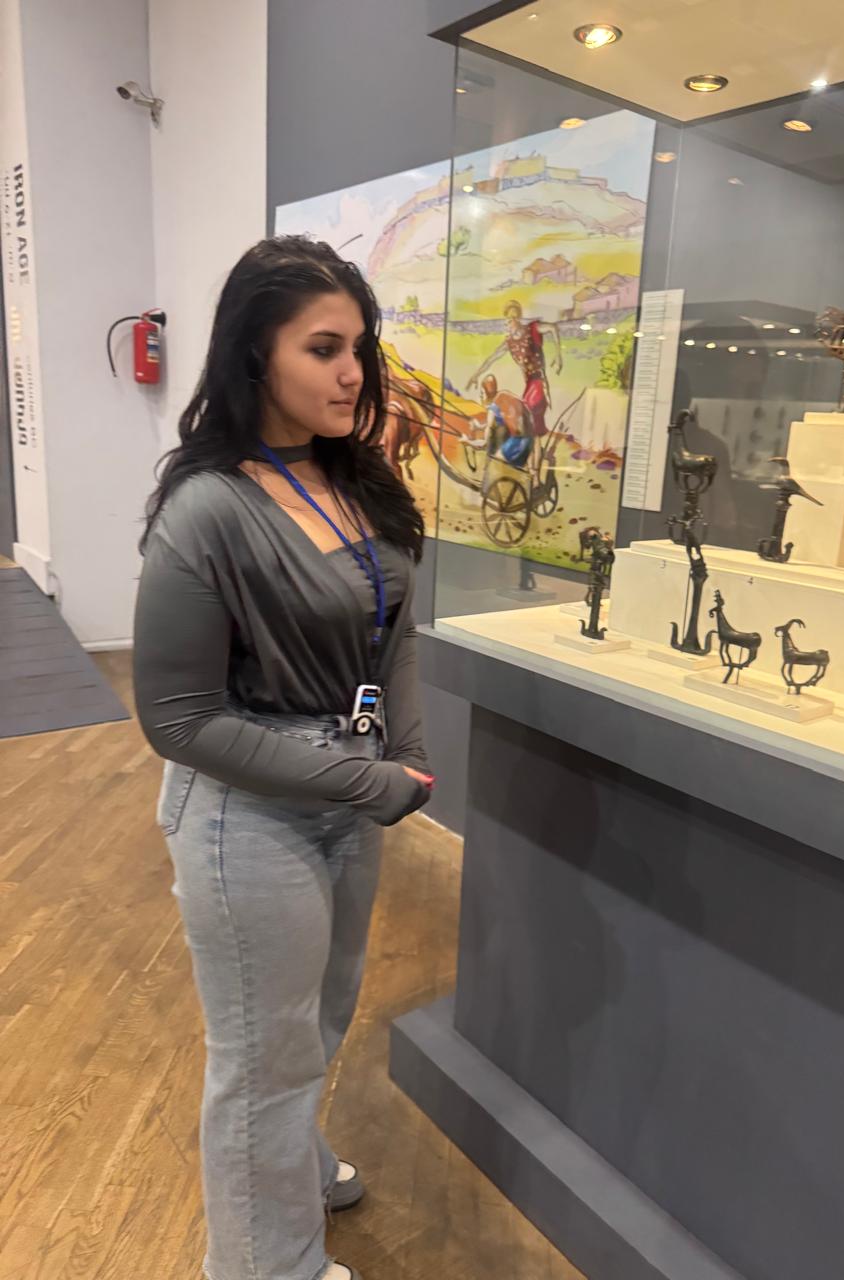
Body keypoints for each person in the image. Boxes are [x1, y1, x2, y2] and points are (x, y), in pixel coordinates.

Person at [133, 236, 435, 1280]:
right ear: (254, 353)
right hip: (246, 812)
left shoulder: (354, 479)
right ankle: (267, 1265)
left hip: (350, 791)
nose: (353, 372)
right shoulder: (206, 509)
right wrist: (370, 776)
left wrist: (407, 748)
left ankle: (291, 1166)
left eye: (360, 347)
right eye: (324, 348)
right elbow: (178, 720)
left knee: (317, 1019)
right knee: (261, 1056)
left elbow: (391, 627)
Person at [466, 300, 562, 471]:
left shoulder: (532, 330)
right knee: (529, 431)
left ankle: (533, 471)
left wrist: (558, 355)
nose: (507, 325)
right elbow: (491, 359)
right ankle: (531, 469)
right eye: (506, 322)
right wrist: (475, 375)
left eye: (509, 321)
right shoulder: (509, 343)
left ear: (516, 319)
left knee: (531, 429)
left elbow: (553, 327)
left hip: (538, 385)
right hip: (529, 387)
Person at [463, 373, 534, 470]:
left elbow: (484, 443)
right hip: (528, 445)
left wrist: (467, 442)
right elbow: (497, 422)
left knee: (495, 462)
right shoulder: (502, 397)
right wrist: (479, 426)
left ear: (487, 392)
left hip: (517, 445)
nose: (480, 396)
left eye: (482, 392)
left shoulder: (493, 407)